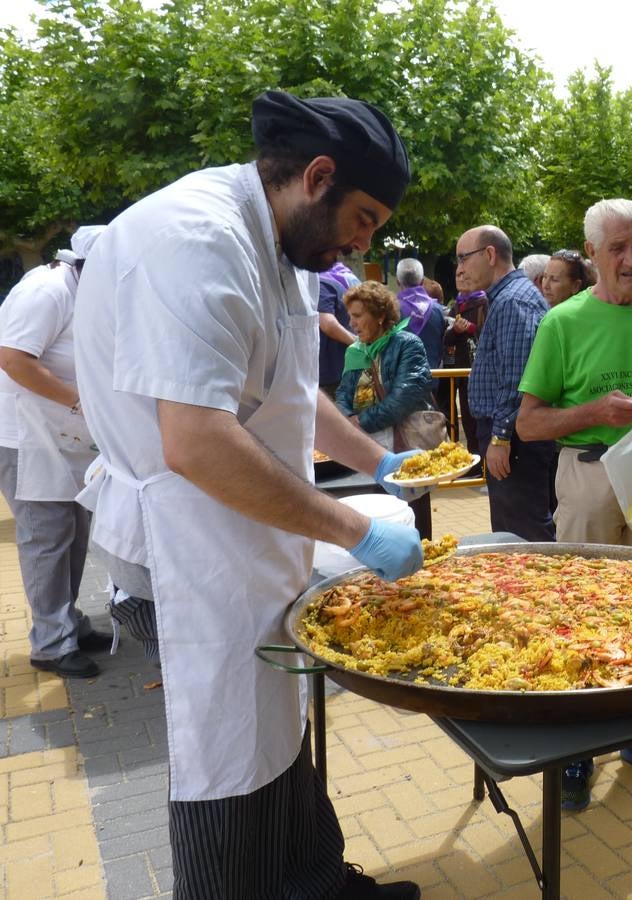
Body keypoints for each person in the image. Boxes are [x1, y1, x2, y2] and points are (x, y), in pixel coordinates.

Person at [73, 90, 425, 899]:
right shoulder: (195, 238)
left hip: (247, 541)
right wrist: (352, 529)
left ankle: (316, 881)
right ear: (318, 176)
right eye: (364, 217)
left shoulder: (280, 246)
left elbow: (291, 396)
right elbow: (195, 440)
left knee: (278, 728)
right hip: (187, 551)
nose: (362, 241)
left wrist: (379, 463)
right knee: (228, 753)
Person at [516, 198, 632, 812]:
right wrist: (596, 412)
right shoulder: (562, 321)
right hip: (589, 474)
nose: (631, 260)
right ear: (592, 253)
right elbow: (528, 425)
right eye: (617, 248)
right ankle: (578, 746)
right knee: (583, 608)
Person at [0, 226, 110, 679]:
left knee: (74, 529)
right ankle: (49, 643)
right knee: (46, 537)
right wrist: (79, 401)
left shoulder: (84, 292)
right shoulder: (47, 289)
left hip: (62, 437)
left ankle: (68, 622)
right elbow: (13, 358)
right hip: (24, 436)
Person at [457, 225, 556, 541]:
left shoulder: (514, 300)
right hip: (513, 437)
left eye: (463, 259)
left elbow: (517, 378)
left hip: (515, 441)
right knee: (516, 529)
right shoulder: (507, 298)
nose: (459, 269)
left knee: (521, 535)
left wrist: (500, 437)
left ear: (489, 254)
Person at [335, 280, 436, 540]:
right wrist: (344, 421)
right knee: (377, 517)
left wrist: (358, 424)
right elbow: (344, 395)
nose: (352, 324)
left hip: (405, 448)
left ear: (380, 315)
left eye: (357, 316)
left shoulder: (408, 344)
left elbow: (405, 399)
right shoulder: (354, 352)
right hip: (367, 450)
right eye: (350, 317)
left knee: (412, 520)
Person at [443, 284, 487, 457]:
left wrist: (471, 328)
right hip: (461, 369)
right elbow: (447, 339)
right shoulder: (457, 305)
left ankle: (482, 460)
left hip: (479, 369)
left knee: (478, 418)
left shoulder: (485, 302)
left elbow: (489, 333)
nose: (461, 281)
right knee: (467, 418)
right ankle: (473, 456)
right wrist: (454, 330)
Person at [395, 258, 446, 371]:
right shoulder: (438, 311)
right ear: (422, 281)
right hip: (431, 377)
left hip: (399, 379)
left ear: (397, 281)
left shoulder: (390, 309)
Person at [317, 261, 360, 396]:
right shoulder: (350, 281)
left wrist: (358, 343)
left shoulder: (323, 283)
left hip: (329, 373)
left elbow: (327, 324)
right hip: (347, 368)